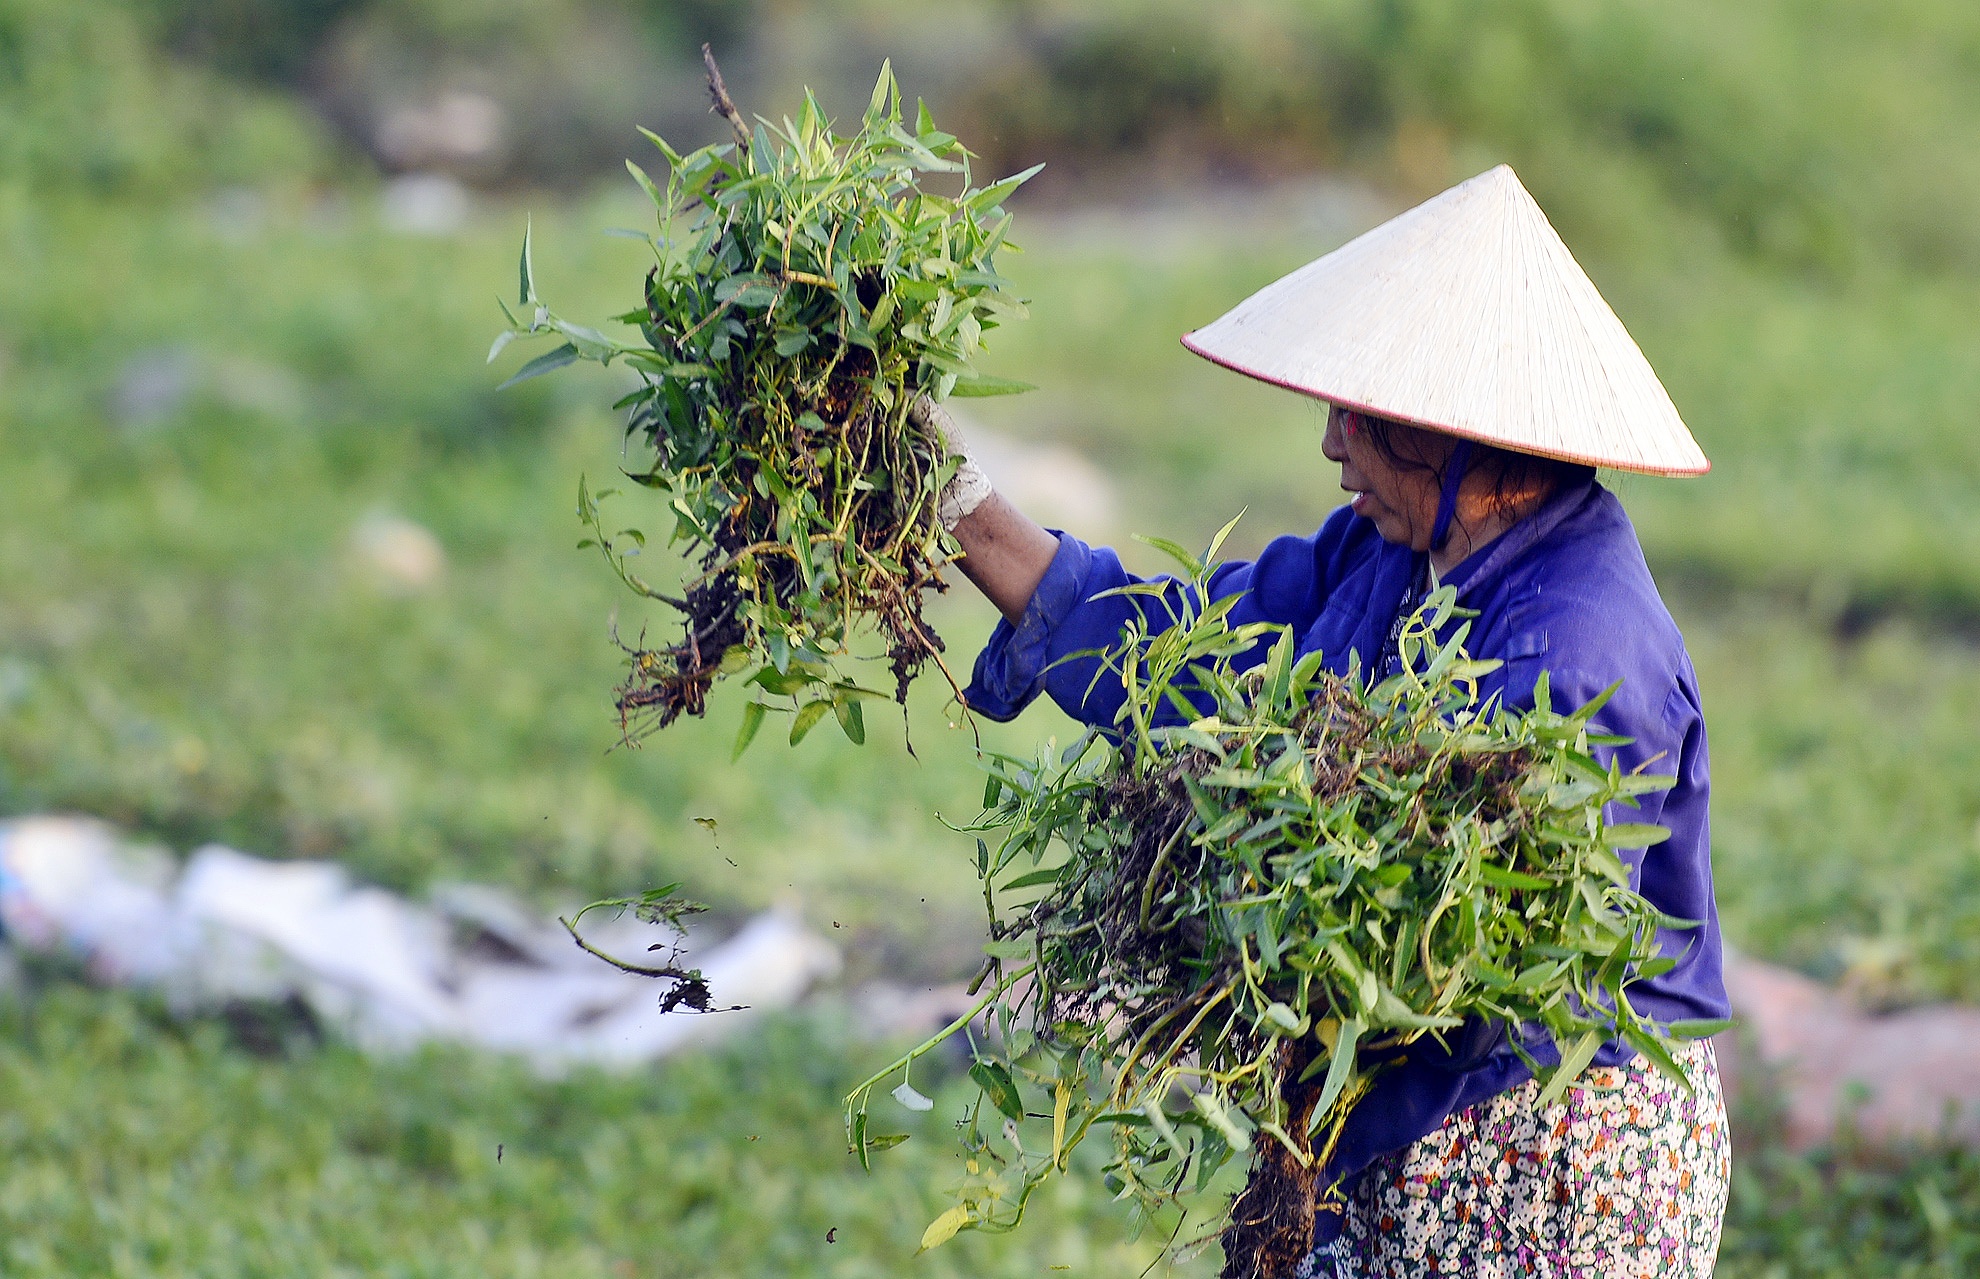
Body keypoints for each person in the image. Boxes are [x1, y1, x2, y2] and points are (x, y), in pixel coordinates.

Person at [920, 165, 1732, 1278]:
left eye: (1362, 413)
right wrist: (941, 494)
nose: (1331, 443)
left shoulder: (1579, 647)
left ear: (1456, 432)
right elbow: (1180, 656)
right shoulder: (1386, 556)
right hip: (1387, 1144)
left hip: (1540, 1164)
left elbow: (1445, 941)